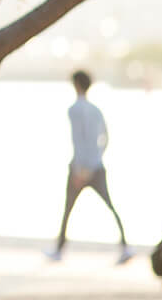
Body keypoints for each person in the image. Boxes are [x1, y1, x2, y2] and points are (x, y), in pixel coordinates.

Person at [47, 70, 132, 264]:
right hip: (97, 165)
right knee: (109, 206)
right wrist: (96, 159)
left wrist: (81, 169)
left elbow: (80, 140)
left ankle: (59, 249)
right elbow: (104, 138)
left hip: (82, 167)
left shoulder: (75, 109)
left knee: (68, 208)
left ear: (77, 84)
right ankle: (125, 246)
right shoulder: (95, 109)